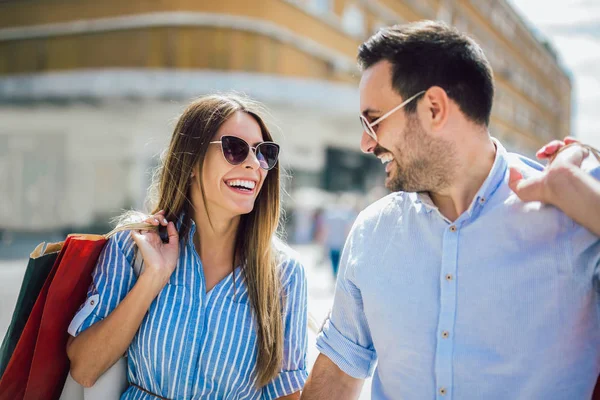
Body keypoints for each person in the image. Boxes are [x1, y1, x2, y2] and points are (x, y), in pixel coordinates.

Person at [301, 21, 600, 399]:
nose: (365, 143)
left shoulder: (573, 216)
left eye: (373, 121)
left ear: (434, 108)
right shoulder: (371, 232)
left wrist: (583, 195)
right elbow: (338, 377)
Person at [66, 94, 308, 399]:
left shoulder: (286, 274)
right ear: (192, 161)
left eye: (263, 154)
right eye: (235, 149)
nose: (252, 164)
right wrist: (153, 278)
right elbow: (84, 369)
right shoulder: (134, 246)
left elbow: (286, 395)